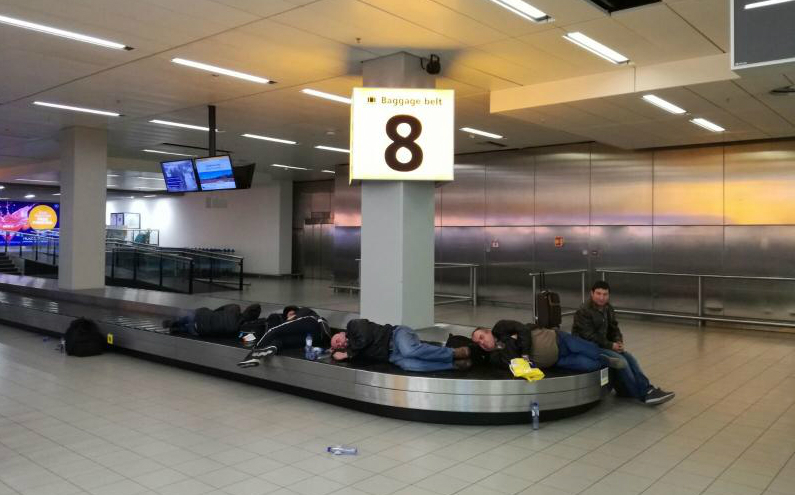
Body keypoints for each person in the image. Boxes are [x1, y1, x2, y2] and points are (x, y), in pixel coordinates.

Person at [573, 281, 674, 405]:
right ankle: (643, 395)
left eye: (605, 294)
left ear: (608, 295)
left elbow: (614, 328)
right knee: (621, 360)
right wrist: (611, 345)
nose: (601, 297)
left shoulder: (608, 308)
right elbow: (589, 336)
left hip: (602, 345)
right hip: (587, 348)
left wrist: (618, 341)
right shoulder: (583, 311)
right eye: (598, 294)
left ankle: (647, 390)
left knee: (630, 358)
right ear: (592, 293)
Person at [471, 321, 626, 372]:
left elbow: (523, 330)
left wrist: (523, 353)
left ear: (488, 331)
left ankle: (606, 357)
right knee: (589, 365)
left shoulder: (501, 327)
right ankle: (604, 361)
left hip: (558, 339)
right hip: (556, 361)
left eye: (481, 337)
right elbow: (511, 360)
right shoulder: (495, 358)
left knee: (590, 349)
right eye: (478, 343)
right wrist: (513, 340)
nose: (482, 342)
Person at [330, 319, 471, 372]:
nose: (340, 344)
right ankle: (453, 365)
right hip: (392, 355)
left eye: (337, 340)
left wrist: (348, 353)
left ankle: (453, 353)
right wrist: (340, 354)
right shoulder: (355, 352)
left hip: (396, 335)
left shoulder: (353, 325)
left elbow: (365, 337)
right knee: (410, 365)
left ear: (341, 333)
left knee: (409, 351)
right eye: (339, 346)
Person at [237, 306, 332, 368]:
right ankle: (270, 348)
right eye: (289, 313)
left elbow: (273, 331)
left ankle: (252, 355)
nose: (291, 314)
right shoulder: (294, 325)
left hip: (313, 325)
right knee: (281, 341)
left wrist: (256, 347)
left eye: (292, 312)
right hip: (315, 338)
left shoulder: (304, 313)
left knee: (274, 331)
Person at [164, 303, 261, 337]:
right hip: (199, 330)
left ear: (247, 309)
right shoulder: (237, 329)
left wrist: (213, 315)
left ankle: (178, 322)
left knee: (200, 312)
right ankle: (180, 329)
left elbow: (217, 310)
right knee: (193, 328)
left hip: (199, 316)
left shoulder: (234, 307)